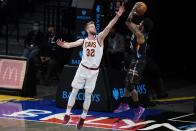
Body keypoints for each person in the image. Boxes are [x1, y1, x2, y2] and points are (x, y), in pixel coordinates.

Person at [56, 5, 125, 129]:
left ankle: (83, 117)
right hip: (82, 69)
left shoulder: (100, 38)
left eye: (94, 26)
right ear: (87, 29)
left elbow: (109, 27)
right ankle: (67, 114)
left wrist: (117, 16)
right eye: (91, 26)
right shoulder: (83, 41)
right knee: (74, 91)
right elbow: (69, 45)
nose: (94, 27)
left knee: (88, 95)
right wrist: (62, 44)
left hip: (93, 72)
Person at [114, 2, 154, 122]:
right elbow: (128, 22)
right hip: (134, 60)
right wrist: (133, 12)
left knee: (130, 84)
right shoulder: (138, 29)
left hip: (139, 62)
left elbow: (127, 22)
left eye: (141, 22)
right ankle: (125, 104)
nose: (139, 22)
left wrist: (133, 9)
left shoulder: (140, 35)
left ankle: (137, 108)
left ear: (143, 26)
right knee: (128, 83)